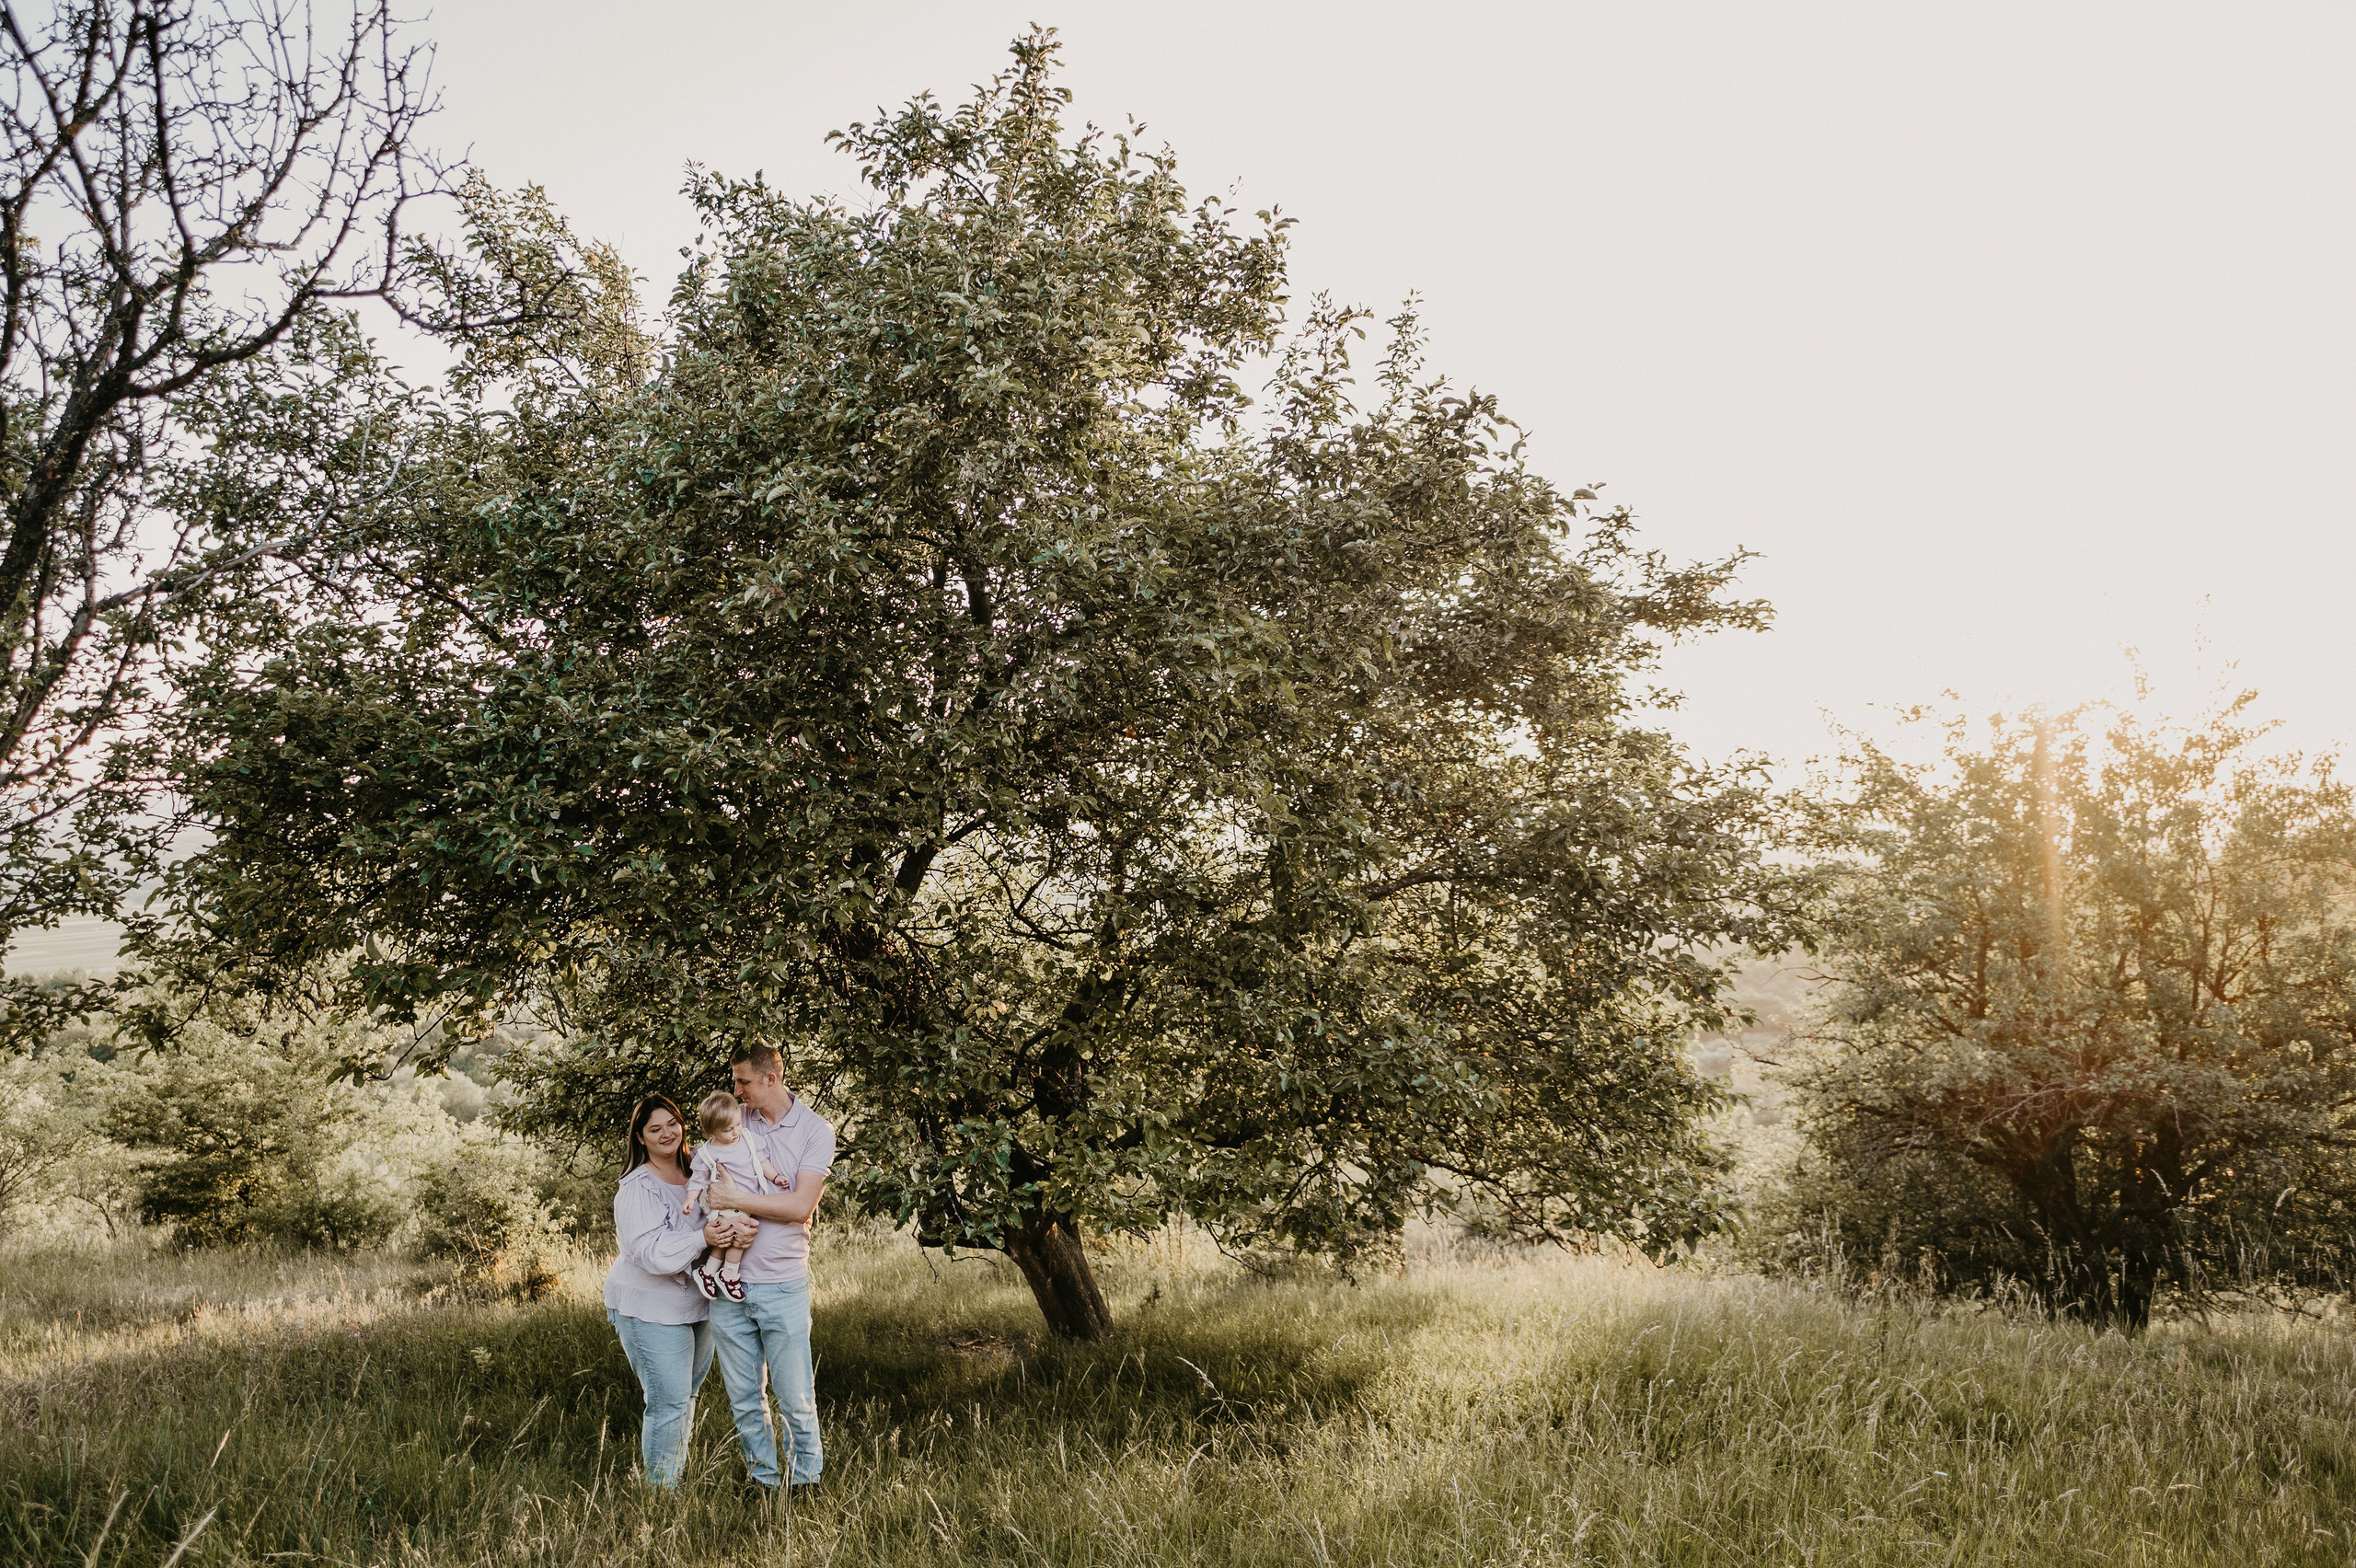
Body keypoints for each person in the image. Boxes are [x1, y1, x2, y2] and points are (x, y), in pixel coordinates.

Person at [603, 1094, 756, 1489]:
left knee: (686, 1396)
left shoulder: (701, 1168)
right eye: (655, 1129)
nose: (667, 1133)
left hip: (698, 1300)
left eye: (672, 1123)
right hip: (649, 1305)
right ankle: (660, 1492)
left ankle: (673, 1479)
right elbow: (650, 1253)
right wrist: (703, 1238)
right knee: (668, 1401)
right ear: (641, 1138)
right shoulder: (637, 1187)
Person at [701, 1043, 834, 1493]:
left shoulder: (816, 1131)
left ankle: (806, 1484)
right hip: (728, 1287)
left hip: (782, 1283)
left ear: (770, 1079)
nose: (736, 1091)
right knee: (744, 1398)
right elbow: (702, 1169)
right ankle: (763, 1482)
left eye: (742, 1082)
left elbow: (799, 1206)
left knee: (795, 1396)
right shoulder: (736, 1122)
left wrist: (735, 1198)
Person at [681, 1090, 785, 1300]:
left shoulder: (748, 1140)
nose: (736, 1131)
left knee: (727, 1238)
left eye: (738, 1124)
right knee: (738, 1235)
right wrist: (690, 1199)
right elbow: (698, 1180)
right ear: (711, 1132)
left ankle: (708, 1272)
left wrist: (775, 1177)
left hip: (746, 1201)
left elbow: (761, 1161)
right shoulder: (708, 1153)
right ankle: (729, 1275)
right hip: (724, 1203)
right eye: (729, 1130)